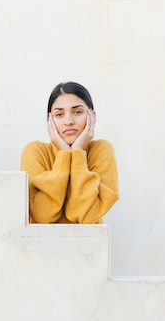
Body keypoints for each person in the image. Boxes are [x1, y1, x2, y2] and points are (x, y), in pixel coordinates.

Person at [21, 82, 119, 224]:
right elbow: (42, 216)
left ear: (92, 116)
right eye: (59, 114)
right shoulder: (35, 152)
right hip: (40, 245)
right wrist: (65, 155)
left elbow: (85, 216)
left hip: (90, 245)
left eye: (77, 112)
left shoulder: (101, 150)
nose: (68, 121)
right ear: (50, 120)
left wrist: (78, 152)